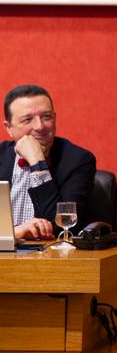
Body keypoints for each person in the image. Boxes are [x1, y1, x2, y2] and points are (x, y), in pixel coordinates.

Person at [0, 84, 96, 240]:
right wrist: (15, 232)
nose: (40, 126)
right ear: (9, 128)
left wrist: (37, 163)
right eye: (27, 119)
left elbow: (62, 227)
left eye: (46, 116)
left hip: (51, 258)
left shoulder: (78, 160)